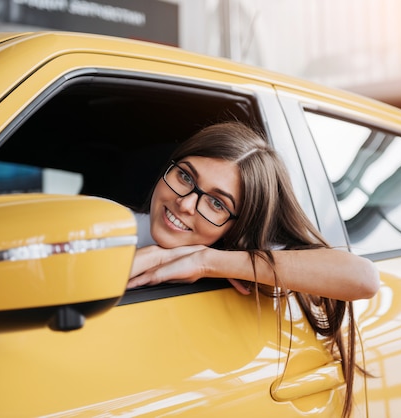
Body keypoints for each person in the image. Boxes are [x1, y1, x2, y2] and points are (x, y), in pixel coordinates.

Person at [128, 121, 379, 417]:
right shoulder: (114, 224)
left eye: (216, 203)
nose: (184, 204)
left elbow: (363, 278)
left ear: (240, 228)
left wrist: (208, 261)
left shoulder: (246, 258)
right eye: (184, 176)